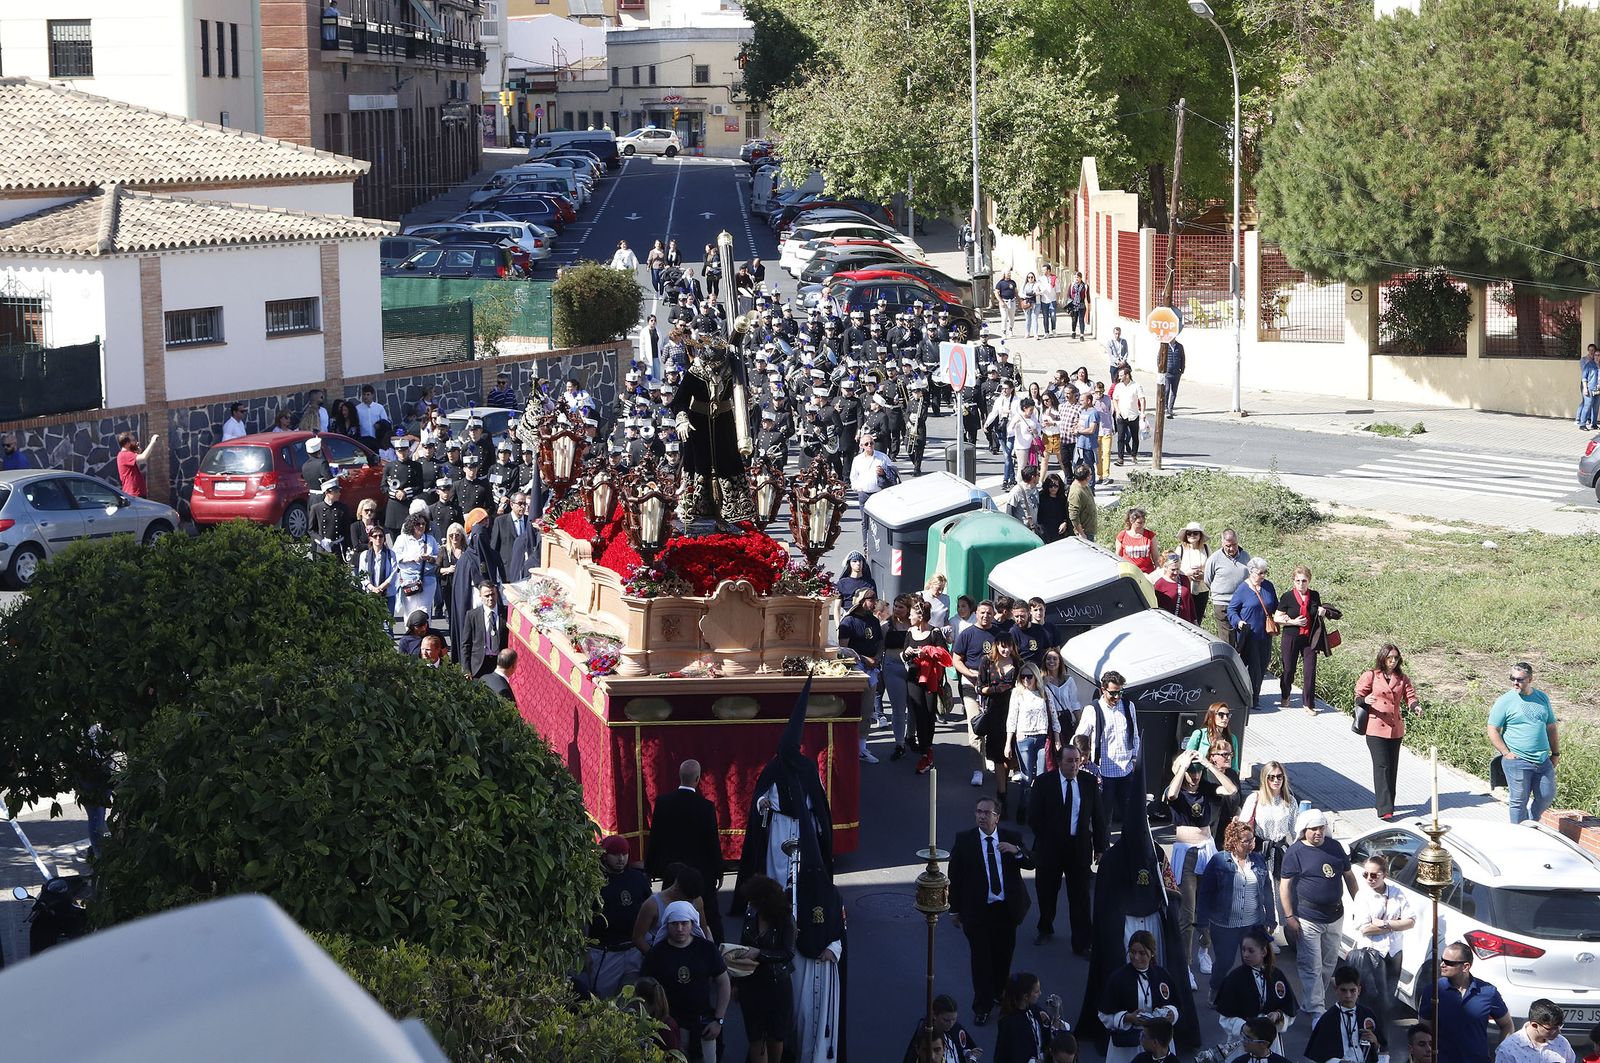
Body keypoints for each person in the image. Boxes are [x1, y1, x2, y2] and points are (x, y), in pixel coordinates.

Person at [948, 794, 1034, 1026]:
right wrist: (954, 910)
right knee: (981, 961)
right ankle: (982, 1006)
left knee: (1003, 958)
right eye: (978, 812)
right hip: (977, 912)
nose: (982, 817)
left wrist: (1016, 851)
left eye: (987, 813)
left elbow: (1031, 861)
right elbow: (955, 876)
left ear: (997, 817)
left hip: (1006, 911)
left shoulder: (1011, 837)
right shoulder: (965, 840)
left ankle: (999, 994)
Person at [1028, 739, 1106, 953]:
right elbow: (1034, 816)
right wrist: (1046, 840)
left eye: (1077, 761)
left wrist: (1100, 847)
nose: (1074, 765)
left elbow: (1098, 817)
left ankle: (1082, 943)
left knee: (1080, 897)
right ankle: (1045, 928)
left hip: (1079, 848)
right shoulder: (1044, 783)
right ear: (1059, 762)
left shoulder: (1089, 783)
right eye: (1069, 761)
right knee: (1047, 891)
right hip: (1050, 849)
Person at [1164, 747, 1237, 975]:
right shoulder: (1175, 787)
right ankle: (1185, 965)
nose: (1195, 776)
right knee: (1187, 911)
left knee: (1209, 908)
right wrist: (1182, 766)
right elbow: (1172, 795)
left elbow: (1231, 789)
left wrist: (1207, 764)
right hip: (1186, 853)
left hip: (1207, 851)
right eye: (1191, 771)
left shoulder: (1206, 787)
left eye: (1197, 771)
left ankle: (1204, 951)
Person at [1279, 809, 1357, 1019]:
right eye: (1313, 829)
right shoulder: (1295, 853)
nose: (1318, 832)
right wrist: (1289, 917)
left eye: (1321, 828)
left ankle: (1312, 1000)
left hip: (1335, 916)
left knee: (1329, 963)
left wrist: (1359, 904)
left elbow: (1349, 877)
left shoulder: (1335, 847)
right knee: (1311, 965)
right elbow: (1285, 887)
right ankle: (1317, 1010)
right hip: (1307, 918)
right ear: (1304, 830)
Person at [645, 758, 726, 945]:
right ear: (698, 779)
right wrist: (718, 871)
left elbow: (655, 837)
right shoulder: (706, 807)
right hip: (701, 873)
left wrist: (649, 868)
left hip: (672, 871)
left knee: (670, 914)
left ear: (680, 777)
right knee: (709, 916)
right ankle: (716, 953)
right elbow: (712, 843)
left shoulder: (663, 802)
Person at [640, 899, 731, 1060]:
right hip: (670, 1026)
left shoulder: (707, 949)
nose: (680, 928)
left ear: (692, 923)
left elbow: (723, 982)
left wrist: (719, 1019)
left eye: (684, 923)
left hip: (704, 1024)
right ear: (667, 925)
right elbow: (643, 991)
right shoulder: (656, 954)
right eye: (674, 924)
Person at [1196, 821, 1272, 1001]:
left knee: (1254, 961)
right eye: (1245, 841)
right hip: (1224, 925)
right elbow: (1205, 893)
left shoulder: (1259, 860)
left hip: (1252, 924)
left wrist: (1271, 918)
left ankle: (1251, 995)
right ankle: (1215, 990)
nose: (1250, 845)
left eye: (1252, 840)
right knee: (1225, 962)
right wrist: (1202, 923)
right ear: (1233, 841)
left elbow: (1267, 890)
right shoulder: (1219, 861)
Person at [730, 874, 795, 1063]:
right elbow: (743, 948)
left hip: (777, 985)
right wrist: (736, 982)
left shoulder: (785, 919)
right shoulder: (751, 914)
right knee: (755, 1036)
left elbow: (788, 953)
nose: (751, 904)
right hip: (752, 984)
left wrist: (759, 953)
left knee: (776, 1036)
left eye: (754, 900)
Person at [1345, 854, 1414, 1030]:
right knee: (1371, 995)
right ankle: (1365, 1027)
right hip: (1372, 952)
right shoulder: (1363, 896)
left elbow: (1411, 921)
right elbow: (1364, 928)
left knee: (1388, 996)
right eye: (1366, 874)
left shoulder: (1397, 894)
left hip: (1394, 952)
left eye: (1374, 875)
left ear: (1385, 875)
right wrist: (1396, 924)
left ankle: (1380, 1030)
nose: (1369, 879)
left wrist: (1384, 924)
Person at [1487, 661, 1561, 824]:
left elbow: (1551, 727)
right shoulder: (1505, 701)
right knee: (1518, 800)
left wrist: (1555, 753)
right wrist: (1506, 753)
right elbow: (1492, 729)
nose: (1515, 682)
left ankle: (1531, 823)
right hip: (1517, 760)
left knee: (1546, 796)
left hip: (1542, 760)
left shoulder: (1542, 698)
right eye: (1512, 678)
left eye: (1520, 679)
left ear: (1530, 679)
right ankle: (1519, 833)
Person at [1419, 941, 1516, 1063]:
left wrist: (1502, 1055)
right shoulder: (1432, 990)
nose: (1442, 964)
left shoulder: (1488, 992)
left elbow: (1507, 1024)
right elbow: (1423, 1029)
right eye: (1442, 960)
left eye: (1449, 963)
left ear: (1465, 967)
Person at [1355, 644, 1421, 819]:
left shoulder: (1402, 678)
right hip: (1375, 727)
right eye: (1390, 658)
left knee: (1392, 768)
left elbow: (1410, 696)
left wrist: (1415, 707)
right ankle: (1384, 809)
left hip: (1395, 728)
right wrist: (1365, 700)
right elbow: (1358, 696)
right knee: (1382, 766)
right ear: (1383, 658)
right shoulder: (1372, 675)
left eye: (1396, 658)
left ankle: (1389, 804)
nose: (1393, 661)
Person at [1095, 930, 1182, 1063]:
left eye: (1142, 953)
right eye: (1132, 952)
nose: (1136, 957)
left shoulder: (1161, 975)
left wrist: (1171, 1013)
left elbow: (1176, 1004)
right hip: (1127, 1047)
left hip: (1156, 1044)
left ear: (1152, 954)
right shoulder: (1118, 978)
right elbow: (1103, 1014)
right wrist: (1128, 1018)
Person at [585, 835, 648, 998]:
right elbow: (581, 920)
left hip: (635, 951)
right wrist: (584, 951)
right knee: (605, 1000)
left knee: (635, 1001)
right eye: (615, 854)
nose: (621, 859)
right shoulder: (593, 881)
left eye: (624, 854)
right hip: (606, 953)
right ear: (605, 855)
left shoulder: (637, 878)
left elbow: (651, 910)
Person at [1074, 670, 1141, 823]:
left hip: (1126, 769)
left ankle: (1128, 845)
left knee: (1129, 816)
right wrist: (1080, 760)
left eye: (1120, 692)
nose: (1117, 697)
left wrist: (1135, 758)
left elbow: (1134, 734)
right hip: (1103, 771)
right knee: (1103, 818)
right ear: (1102, 690)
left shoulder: (1128, 705)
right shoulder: (1092, 709)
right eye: (1112, 693)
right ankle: (1102, 845)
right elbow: (1079, 738)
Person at [1212, 926, 1296, 1047]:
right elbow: (1225, 1018)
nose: (1245, 954)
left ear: (1263, 952)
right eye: (1243, 949)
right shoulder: (1234, 978)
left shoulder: (1277, 976)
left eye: (1251, 951)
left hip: (1270, 1042)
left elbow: (1289, 1009)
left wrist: (1277, 1016)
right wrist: (1248, 1028)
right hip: (1242, 1042)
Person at [1274, 565, 1340, 715]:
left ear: (1309, 580)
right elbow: (1277, 618)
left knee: (1310, 670)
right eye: (1297, 581)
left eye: (1304, 581)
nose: (1301, 584)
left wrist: (1323, 612)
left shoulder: (1314, 595)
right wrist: (1293, 621)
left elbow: (1317, 613)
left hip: (1310, 638)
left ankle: (1308, 704)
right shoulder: (1287, 597)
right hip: (1291, 637)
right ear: (1293, 581)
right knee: (1289, 669)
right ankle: (1285, 695)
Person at [1237, 760, 1296, 923]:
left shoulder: (1289, 801)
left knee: (1282, 891)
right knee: (1262, 892)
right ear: (1264, 779)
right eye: (1271, 777)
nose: (1276, 780)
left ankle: (1284, 928)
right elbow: (1242, 827)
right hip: (1259, 850)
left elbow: (1295, 830)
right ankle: (1264, 930)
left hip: (1280, 851)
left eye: (1279, 776)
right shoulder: (1255, 798)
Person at [952, 600, 1001, 785]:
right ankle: (977, 770)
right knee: (975, 726)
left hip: (993, 687)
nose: (985, 616)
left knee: (993, 725)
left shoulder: (999, 634)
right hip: (971, 685)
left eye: (989, 613)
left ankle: (988, 757)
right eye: (982, 612)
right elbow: (956, 660)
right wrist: (969, 673)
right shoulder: (967, 634)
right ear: (977, 613)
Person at [977, 634, 1022, 817]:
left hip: (1014, 712)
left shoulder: (1018, 663)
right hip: (995, 712)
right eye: (1002, 646)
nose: (1006, 650)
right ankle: (1001, 795)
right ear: (996, 646)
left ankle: (1009, 784)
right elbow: (980, 687)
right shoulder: (986, 662)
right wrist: (996, 689)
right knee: (997, 757)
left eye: (1009, 646)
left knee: (1011, 756)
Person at [903, 598, 950, 775]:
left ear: (920, 616)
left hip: (931, 679)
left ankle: (927, 749)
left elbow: (945, 655)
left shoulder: (935, 632)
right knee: (917, 711)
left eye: (912, 614)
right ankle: (923, 749)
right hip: (913, 677)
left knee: (928, 714)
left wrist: (927, 651)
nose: (909, 616)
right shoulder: (910, 632)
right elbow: (904, 655)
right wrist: (907, 653)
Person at [839, 588, 884, 764]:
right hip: (854, 670)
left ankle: (861, 747)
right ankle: (847, 746)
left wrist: (878, 657)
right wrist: (864, 659)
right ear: (861, 601)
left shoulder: (873, 620)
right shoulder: (848, 622)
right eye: (871, 599)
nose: (874, 602)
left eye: (875, 598)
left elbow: (880, 642)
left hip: (872, 670)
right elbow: (843, 649)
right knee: (851, 710)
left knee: (866, 709)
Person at [1008, 663, 1057, 821]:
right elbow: (1012, 718)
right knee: (1026, 777)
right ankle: (1023, 809)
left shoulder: (1044, 692)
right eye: (1023, 677)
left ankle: (1038, 812)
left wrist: (1057, 739)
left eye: (1029, 676)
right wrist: (1008, 742)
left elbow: (1054, 716)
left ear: (1036, 677)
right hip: (1024, 739)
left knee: (1042, 777)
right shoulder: (1017, 693)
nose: (1026, 680)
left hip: (1042, 738)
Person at [1228, 557, 1279, 709]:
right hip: (1249, 635)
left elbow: (1275, 605)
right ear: (1251, 572)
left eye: (1265, 572)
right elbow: (1232, 609)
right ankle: (1251, 699)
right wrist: (1238, 622)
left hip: (1265, 635)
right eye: (1260, 573)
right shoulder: (1243, 589)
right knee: (1254, 667)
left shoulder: (1268, 586)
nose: (1263, 576)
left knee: (1262, 665)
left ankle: (1254, 695)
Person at [996, 972, 1061, 1063]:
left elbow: (1049, 1037)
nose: (1040, 993)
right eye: (1037, 991)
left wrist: (1054, 1015)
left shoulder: (1035, 1010)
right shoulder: (1009, 1023)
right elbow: (1012, 1054)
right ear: (1026, 996)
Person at [848, 431, 896, 546]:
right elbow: (853, 478)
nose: (869, 446)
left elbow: (893, 473)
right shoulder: (857, 460)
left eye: (871, 443)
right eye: (866, 444)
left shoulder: (882, 457)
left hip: (878, 494)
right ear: (861, 446)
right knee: (865, 523)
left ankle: (882, 544)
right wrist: (858, 489)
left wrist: (883, 473)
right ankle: (866, 546)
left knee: (881, 520)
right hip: (864, 494)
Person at [902, 995, 982, 1063]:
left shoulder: (956, 1028)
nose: (951, 1024)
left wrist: (968, 1054)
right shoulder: (926, 1036)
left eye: (954, 1019)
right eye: (946, 1020)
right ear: (934, 1015)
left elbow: (962, 1048)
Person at [1203, 530, 1252, 640]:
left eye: (1234, 545)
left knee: (1243, 636)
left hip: (1242, 603)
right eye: (1228, 546)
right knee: (1227, 638)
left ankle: (1241, 657)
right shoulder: (1214, 559)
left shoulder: (1245, 556)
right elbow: (1207, 580)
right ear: (1222, 544)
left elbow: (1251, 577)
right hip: (1223, 603)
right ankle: (1229, 656)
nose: (1231, 549)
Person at [394, 511, 439, 622]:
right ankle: (411, 635)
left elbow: (438, 558)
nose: (421, 526)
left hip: (427, 578)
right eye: (418, 524)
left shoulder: (430, 539)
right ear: (412, 525)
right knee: (410, 610)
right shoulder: (402, 539)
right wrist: (411, 558)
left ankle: (425, 634)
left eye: (423, 524)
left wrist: (429, 558)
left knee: (424, 609)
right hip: (408, 579)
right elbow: (395, 556)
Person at [1498, 1001, 1578, 1063]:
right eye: (1552, 1029)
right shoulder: (1509, 1048)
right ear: (1534, 1025)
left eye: (1559, 1026)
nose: (1558, 1032)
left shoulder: (1562, 1043)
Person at [461, 578, 504, 679]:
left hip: (500, 663)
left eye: (492, 594)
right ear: (480, 596)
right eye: (486, 596)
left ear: (497, 594)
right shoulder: (472, 615)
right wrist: (466, 669)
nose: (490, 598)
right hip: (479, 664)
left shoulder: (506, 613)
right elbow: (466, 644)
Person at [356, 525, 398, 621]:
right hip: (370, 593)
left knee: (387, 624)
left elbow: (394, 573)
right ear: (370, 538)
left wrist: (380, 588)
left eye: (381, 536)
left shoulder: (391, 554)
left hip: (388, 593)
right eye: (375, 536)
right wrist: (373, 589)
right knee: (372, 622)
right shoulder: (364, 555)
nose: (378, 538)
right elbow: (362, 575)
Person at [1111, 365, 1145, 465]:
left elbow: (1142, 399)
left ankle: (1134, 455)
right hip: (1122, 415)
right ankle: (1120, 458)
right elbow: (1115, 399)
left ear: (1127, 375)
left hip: (1133, 415)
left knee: (1135, 437)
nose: (1119, 377)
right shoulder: (1118, 386)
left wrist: (1142, 412)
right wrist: (1117, 411)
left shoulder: (1136, 386)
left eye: (1121, 375)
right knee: (1120, 437)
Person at [1153, 552, 1200, 623]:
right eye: (1173, 569)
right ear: (1165, 568)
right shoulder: (1159, 584)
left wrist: (1194, 620)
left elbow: (1190, 601)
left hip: (1186, 622)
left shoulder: (1184, 579)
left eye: (1177, 569)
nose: (1175, 572)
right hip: (1170, 623)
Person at [1176, 524, 1211, 617]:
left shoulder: (1206, 548)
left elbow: (1211, 567)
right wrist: (1187, 573)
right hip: (1185, 588)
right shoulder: (1180, 549)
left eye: (1195, 533)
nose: (1192, 535)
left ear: (1200, 535)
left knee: (1198, 617)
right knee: (1185, 616)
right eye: (1189, 533)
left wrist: (1204, 575)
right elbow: (1174, 567)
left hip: (1202, 588)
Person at [116, 431, 160, 497]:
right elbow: (143, 457)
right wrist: (152, 442)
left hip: (136, 493)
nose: (136, 442)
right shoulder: (125, 455)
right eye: (133, 440)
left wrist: (136, 452)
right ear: (127, 444)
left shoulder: (127, 455)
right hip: (134, 494)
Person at [1116, 509, 1158, 574]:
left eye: (1143, 522)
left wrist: (1158, 572)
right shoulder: (1122, 535)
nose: (1142, 525)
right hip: (1129, 573)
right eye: (1139, 523)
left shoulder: (1150, 535)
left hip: (1147, 573)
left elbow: (1156, 558)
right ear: (1131, 520)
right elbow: (1117, 557)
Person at [1037, 472, 1069, 543]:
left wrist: (1065, 523)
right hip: (1044, 532)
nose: (1053, 488)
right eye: (1050, 486)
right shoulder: (1041, 497)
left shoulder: (1062, 498)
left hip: (1059, 532)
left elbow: (1066, 514)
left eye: (1056, 486)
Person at [1069, 462, 1098, 540]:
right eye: (1090, 474)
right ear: (1088, 477)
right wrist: (1081, 533)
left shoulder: (1084, 485)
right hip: (1085, 533)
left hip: (1090, 530)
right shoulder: (1076, 492)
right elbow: (1073, 515)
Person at [1579, 345, 1599, 431]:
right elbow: (1584, 377)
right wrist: (1585, 388)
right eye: (1596, 355)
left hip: (1598, 389)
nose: (1597, 357)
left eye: (1599, 355)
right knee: (1587, 406)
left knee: (1596, 407)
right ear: (1593, 355)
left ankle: (1594, 424)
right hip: (1590, 388)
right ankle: (1582, 424)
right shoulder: (1589, 365)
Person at [1066, 271, 1091, 339]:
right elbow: (1068, 295)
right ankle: (1073, 332)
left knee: (1081, 320)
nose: (1076, 279)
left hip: (1082, 304)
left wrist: (1089, 305)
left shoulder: (1085, 286)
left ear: (1080, 278)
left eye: (1077, 277)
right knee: (1074, 319)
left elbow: (1088, 296)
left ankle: (1081, 335)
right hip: (1073, 304)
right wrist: (1069, 306)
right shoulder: (1072, 285)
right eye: (1075, 277)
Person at [996, 271, 1019, 337]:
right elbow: (996, 293)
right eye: (1007, 273)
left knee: (1012, 317)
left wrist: (1019, 301)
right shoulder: (1000, 283)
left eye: (1009, 273)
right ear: (1004, 274)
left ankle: (1010, 329)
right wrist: (1001, 301)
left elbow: (1016, 292)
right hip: (1004, 302)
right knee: (1004, 317)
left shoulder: (1013, 282)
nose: (1009, 274)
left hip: (1012, 301)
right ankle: (1004, 332)